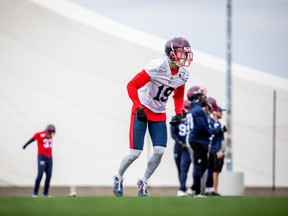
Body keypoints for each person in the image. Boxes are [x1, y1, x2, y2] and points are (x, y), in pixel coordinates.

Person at [113, 37, 193, 197]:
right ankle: (118, 176)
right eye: (180, 54)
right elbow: (132, 85)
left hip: (159, 112)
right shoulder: (157, 66)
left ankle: (143, 181)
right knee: (135, 152)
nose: (184, 58)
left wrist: (178, 112)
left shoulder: (183, 75)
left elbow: (178, 94)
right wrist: (138, 106)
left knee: (159, 151)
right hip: (142, 109)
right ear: (171, 53)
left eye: (185, 54)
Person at [186, 86, 212, 196]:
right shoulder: (198, 110)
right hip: (199, 139)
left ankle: (195, 187)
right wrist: (210, 132)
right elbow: (202, 126)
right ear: (198, 97)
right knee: (199, 164)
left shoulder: (193, 109)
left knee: (203, 164)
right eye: (203, 96)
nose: (205, 98)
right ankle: (196, 191)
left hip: (196, 139)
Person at [22, 124, 56, 197]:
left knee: (49, 175)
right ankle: (35, 193)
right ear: (46, 131)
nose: (51, 134)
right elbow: (32, 140)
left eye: (52, 133)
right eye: (50, 132)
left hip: (49, 157)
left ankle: (45, 193)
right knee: (40, 174)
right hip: (41, 156)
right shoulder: (39, 134)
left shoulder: (51, 136)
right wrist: (25, 145)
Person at [171, 100, 192, 197]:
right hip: (178, 147)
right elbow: (173, 134)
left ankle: (182, 189)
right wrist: (179, 142)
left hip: (187, 148)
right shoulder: (175, 118)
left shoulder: (190, 119)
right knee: (180, 169)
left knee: (184, 168)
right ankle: (183, 187)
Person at [205, 105, 227, 196]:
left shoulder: (220, 124)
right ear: (214, 112)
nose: (221, 113)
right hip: (210, 149)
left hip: (217, 150)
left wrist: (222, 151)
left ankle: (214, 190)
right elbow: (211, 134)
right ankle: (207, 189)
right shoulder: (209, 122)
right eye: (220, 111)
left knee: (216, 171)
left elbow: (222, 139)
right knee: (209, 170)